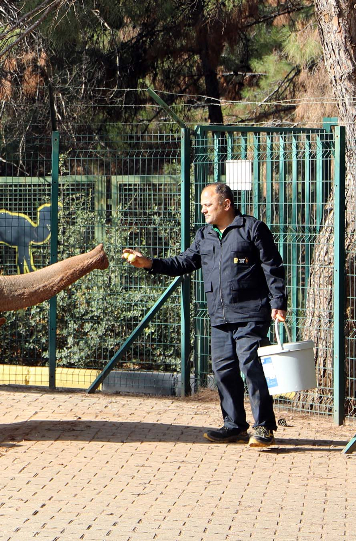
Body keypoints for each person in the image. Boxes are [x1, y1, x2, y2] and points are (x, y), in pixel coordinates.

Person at [122, 182, 287, 448]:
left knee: (251, 367)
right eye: (202, 205)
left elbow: (272, 266)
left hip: (251, 314)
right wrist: (149, 263)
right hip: (220, 317)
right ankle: (234, 426)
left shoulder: (252, 229)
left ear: (226, 204)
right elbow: (183, 262)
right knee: (223, 371)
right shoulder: (205, 235)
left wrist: (278, 302)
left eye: (207, 205)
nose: (203, 210)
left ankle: (264, 427)